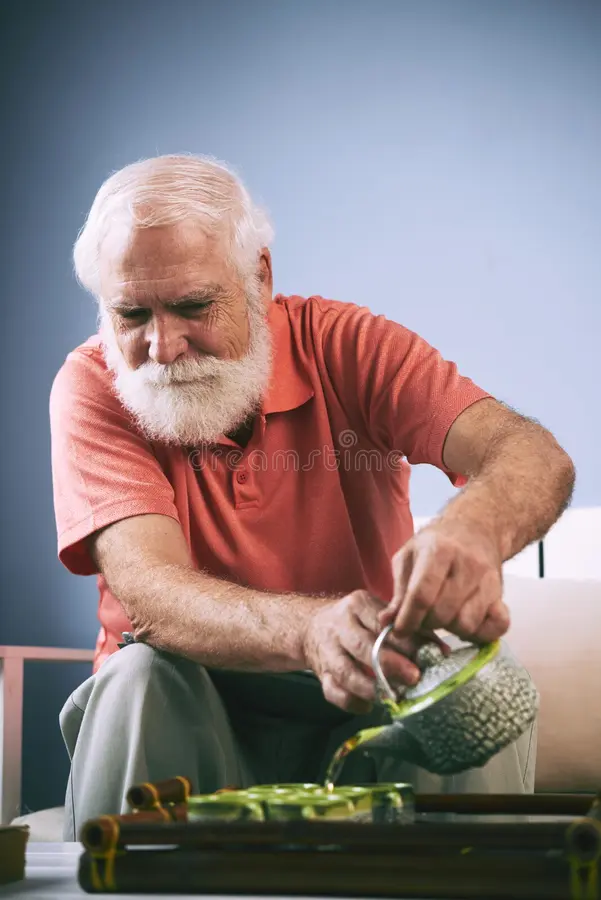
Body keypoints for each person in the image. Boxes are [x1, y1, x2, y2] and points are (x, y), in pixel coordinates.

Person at [50, 153, 574, 840]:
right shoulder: (92, 384)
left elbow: (528, 453)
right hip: (184, 712)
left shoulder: (348, 345)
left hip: (365, 704)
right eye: (131, 314)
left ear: (259, 277)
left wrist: (474, 529)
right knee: (137, 677)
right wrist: (309, 631)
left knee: (467, 681)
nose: (163, 346)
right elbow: (150, 591)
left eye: (193, 307)